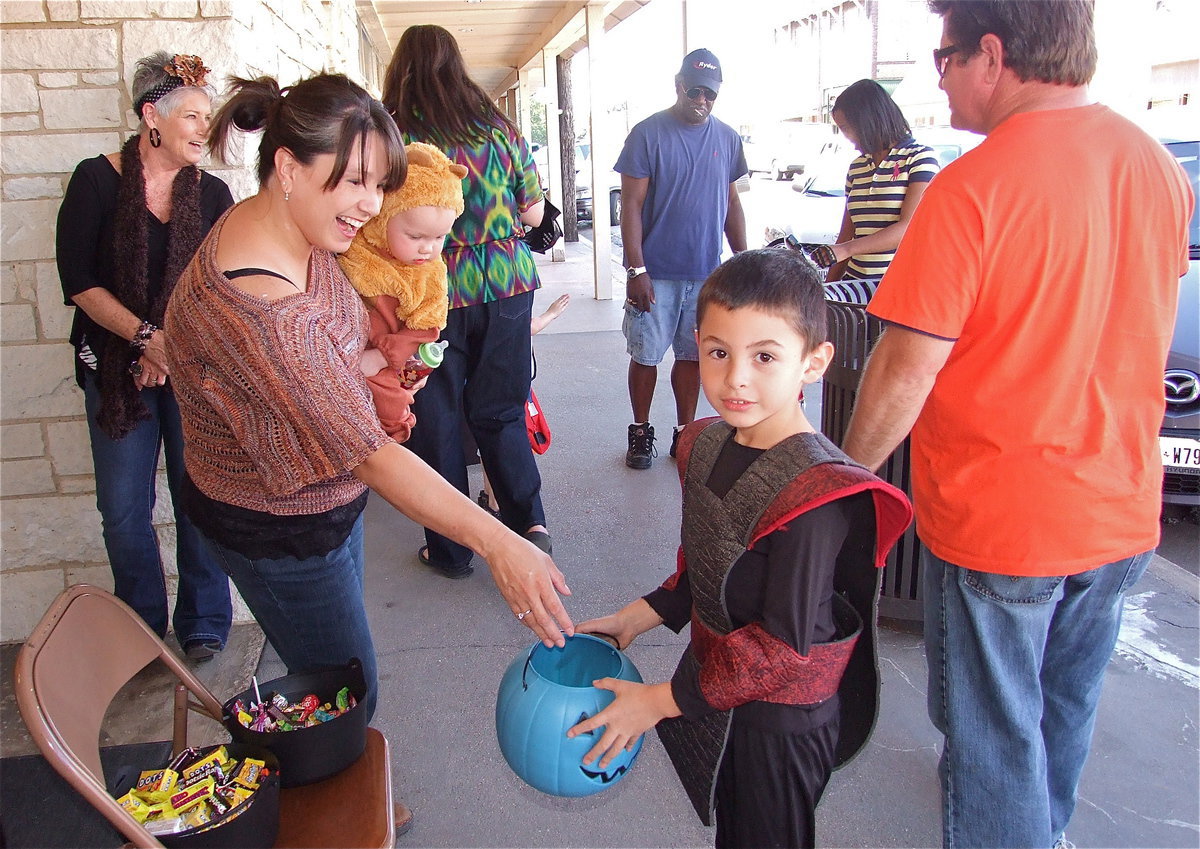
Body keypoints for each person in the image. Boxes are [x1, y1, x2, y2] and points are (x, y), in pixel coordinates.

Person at [840, 2, 1194, 847]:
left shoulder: (972, 188)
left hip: (1005, 523)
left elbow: (903, 370)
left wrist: (838, 479)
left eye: (945, 56)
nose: (939, 75)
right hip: (1119, 512)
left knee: (992, 744)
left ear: (992, 56)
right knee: (1057, 712)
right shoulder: (1156, 167)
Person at [165, 74, 574, 763]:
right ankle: (331, 798)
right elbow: (372, 456)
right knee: (345, 695)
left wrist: (364, 357)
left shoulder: (292, 226)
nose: (370, 204)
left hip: (318, 494)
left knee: (332, 673)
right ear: (289, 167)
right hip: (281, 524)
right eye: (354, 182)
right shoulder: (265, 318)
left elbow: (341, 343)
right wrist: (501, 542)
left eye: (380, 184)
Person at [569, 250, 912, 849]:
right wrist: (638, 617)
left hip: (778, 725)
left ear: (814, 363)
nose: (736, 379)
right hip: (719, 692)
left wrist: (658, 701)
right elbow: (711, 557)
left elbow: (781, 650)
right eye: (719, 352)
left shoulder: (816, 496)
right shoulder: (705, 444)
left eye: (765, 357)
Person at [55, 51, 233, 661]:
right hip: (114, 368)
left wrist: (169, 349)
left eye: (208, 116)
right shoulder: (95, 181)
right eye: (194, 115)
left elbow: (221, 287)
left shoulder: (213, 194)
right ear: (150, 115)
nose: (204, 129)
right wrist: (145, 339)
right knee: (124, 509)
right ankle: (140, 627)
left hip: (190, 370)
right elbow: (79, 281)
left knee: (199, 496)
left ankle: (205, 619)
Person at [381, 24, 553, 577]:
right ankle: (530, 526)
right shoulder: (499, 128)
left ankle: (452, 550)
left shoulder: (396, 133)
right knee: (501, 410)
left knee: (436, 417)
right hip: (506, 283)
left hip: (431, 289)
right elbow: (532, 213)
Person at [616, 47, 749, 469]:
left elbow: (731, 204)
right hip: (655, 275)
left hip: (706, 275)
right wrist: (636, 269)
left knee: (692, 358)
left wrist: (745, 261)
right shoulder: (647, 134)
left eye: (710, 94)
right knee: (646, 356)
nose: (702, 101)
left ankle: (685, 434)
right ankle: (640, 432)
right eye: (695, 91)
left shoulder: (728, 138)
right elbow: (631, 206)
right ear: (678, 86)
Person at [338, 141, 469, 442]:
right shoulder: (355, 244)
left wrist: (382, 358)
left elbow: (426, 329)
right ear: (382, 220)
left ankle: (393, 437)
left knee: (391, 398)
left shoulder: (431, 274)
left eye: (439, 237)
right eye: (415, 236)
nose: (428, 248)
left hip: (389, 356)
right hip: (350, 345)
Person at [810, 78, 940, 284]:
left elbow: (909, 228)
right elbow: (846, 235)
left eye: (845, 127)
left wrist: (845, 249)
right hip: (855, 286)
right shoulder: (857, 167)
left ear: (867, 122)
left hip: (897, 287)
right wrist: (828, 289)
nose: (845, 136)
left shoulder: (919, 158)